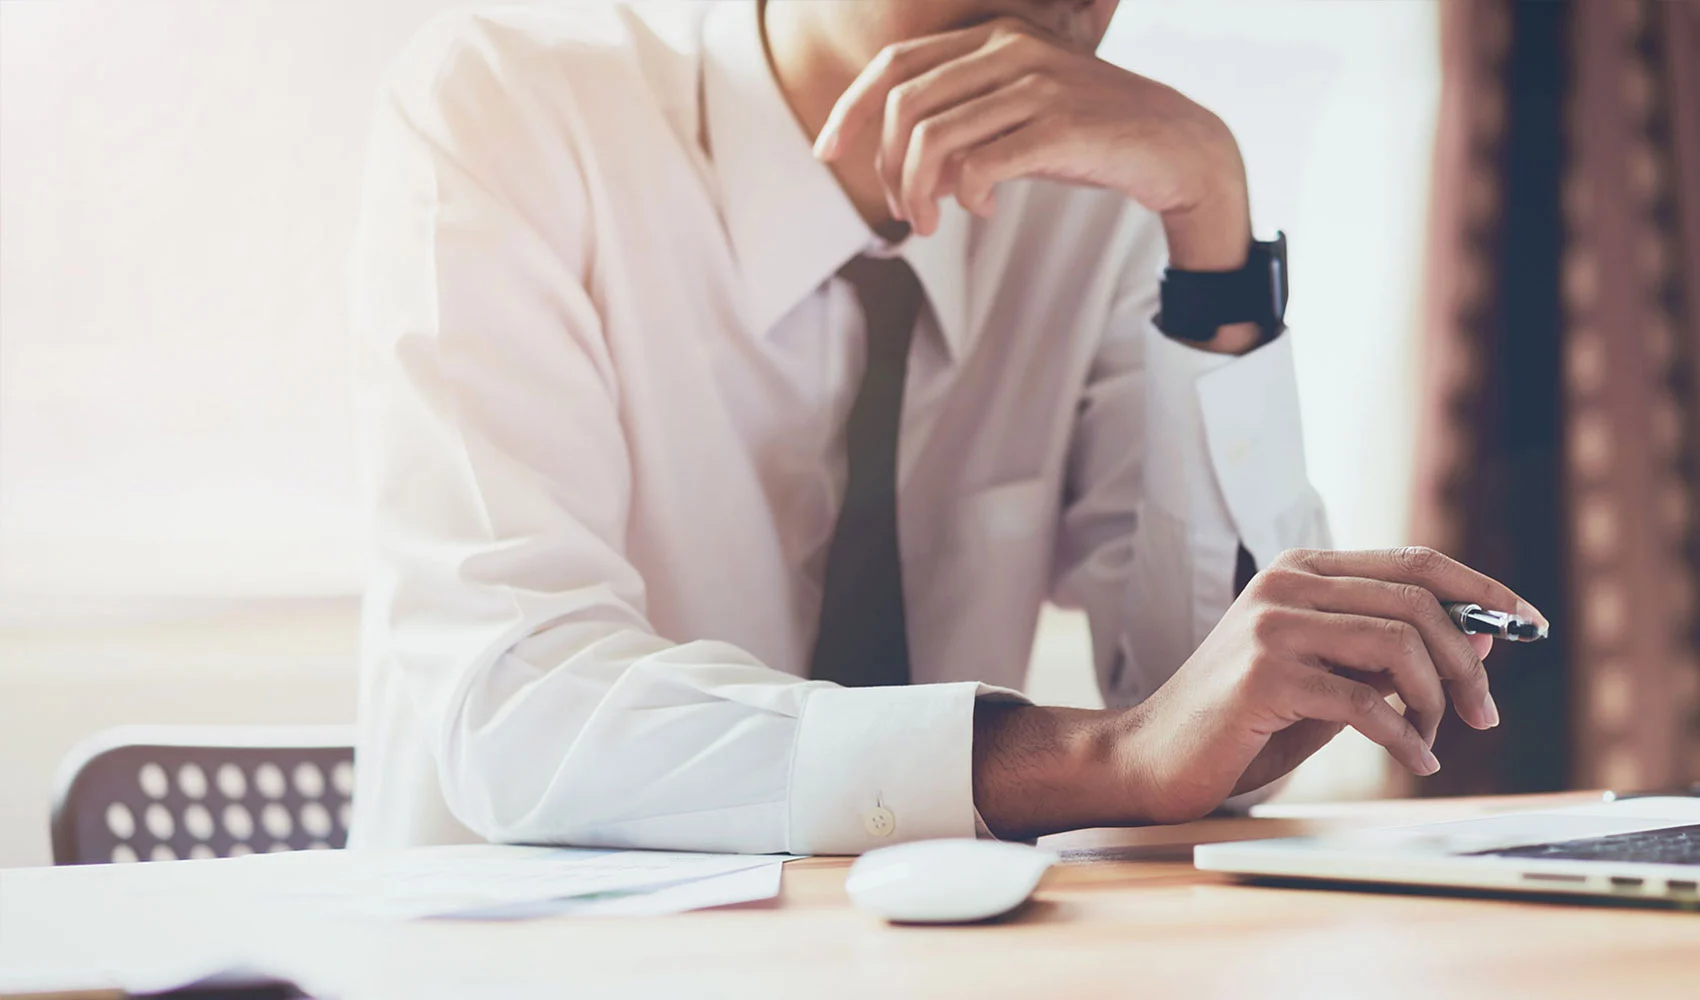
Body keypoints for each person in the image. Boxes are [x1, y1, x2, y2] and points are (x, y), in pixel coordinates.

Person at [348, 0, 1545, 854]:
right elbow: (518, 701)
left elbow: (1218, 737)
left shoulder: (1093, 197)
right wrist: (1095, 760)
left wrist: (1209, 222)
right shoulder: (511, 107)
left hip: (938, 964)